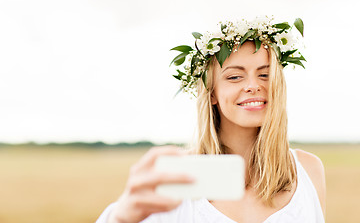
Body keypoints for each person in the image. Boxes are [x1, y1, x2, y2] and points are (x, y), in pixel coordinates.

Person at [96, 16, 326, 223]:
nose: (254, 86)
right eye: (235, 76)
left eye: (265, 75)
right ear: (212, 93)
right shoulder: (180, 175)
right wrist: (120, 217)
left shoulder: (308, 170)